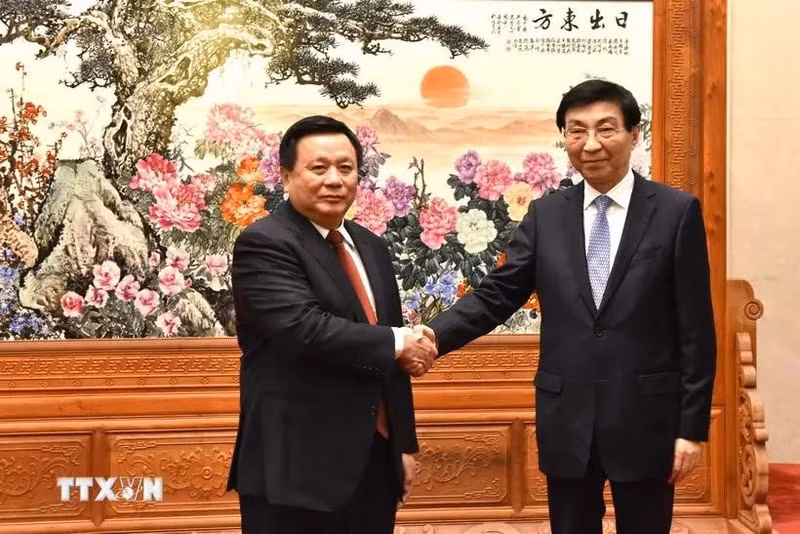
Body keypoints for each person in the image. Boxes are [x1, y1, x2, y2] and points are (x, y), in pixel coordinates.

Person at [419, 79, 716, 534]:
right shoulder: (547, 215)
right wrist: (432, 337)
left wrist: (690, 427)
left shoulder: (676, 212)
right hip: (567, 416)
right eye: (576, 131)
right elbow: (498, 294)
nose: (591, 144)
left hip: (646, 418)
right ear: (565, 139)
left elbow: (696, 329)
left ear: (635, 134)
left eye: (606, 129)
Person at [227, 115, 437, 534]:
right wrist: (401, 341)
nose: (334, 180)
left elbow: (388, 359)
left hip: (374, 460)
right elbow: (304, 328)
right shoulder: (265, 243)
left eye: (346, 168)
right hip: (294, 466)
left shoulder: (372, 246)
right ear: (286, 175)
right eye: (318, 168)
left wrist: (403, 444)